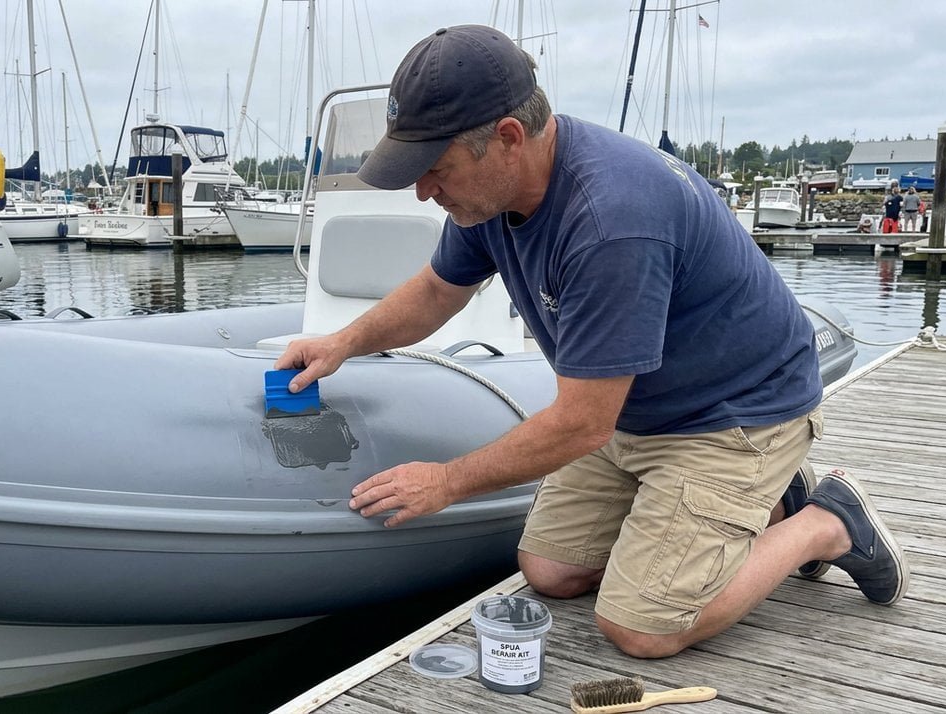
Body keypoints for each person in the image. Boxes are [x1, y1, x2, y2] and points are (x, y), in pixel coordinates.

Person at [273, 25, 907, 659]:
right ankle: (772, 499)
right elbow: (439, 290)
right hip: (642, 413)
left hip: (735, 415)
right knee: (549, 570)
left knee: (642, 627)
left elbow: (580, 425)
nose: (423, 191)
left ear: (508, 139)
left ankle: (828, 521)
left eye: (435, 169)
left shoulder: (611, 222)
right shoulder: (492, 198)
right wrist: (342, 342)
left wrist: (446, 481)